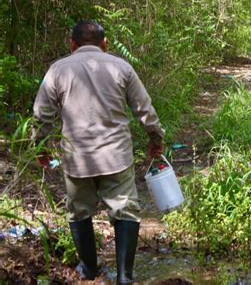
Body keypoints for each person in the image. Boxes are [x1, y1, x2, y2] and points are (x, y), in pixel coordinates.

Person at [33, 21, 165, 283]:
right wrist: (155, 137)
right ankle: (125, 277)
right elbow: (144, 110)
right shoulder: (121, 67)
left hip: (76, 158)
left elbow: (42, 114)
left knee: (80, 211)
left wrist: (40, 146)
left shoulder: (57, 70)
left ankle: (88, 269)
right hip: (116, 156)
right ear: (105, 44)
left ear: (72, 44)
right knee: (125, 210)